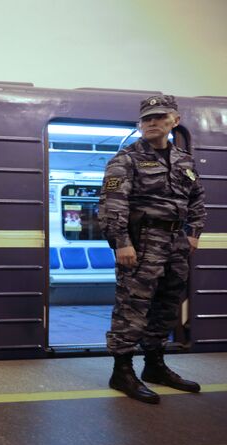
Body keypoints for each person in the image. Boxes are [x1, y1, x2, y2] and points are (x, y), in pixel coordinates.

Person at [98, 95, 206, 404]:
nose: (152, 122)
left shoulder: (184, 160)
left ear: (175, 120)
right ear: (140, 124)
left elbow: (197, 199)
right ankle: (122, 371)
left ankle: (155, 366)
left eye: (159, 117)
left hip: (175, 244)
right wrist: (121, 242)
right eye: (146, 118)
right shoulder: (126, 159)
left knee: (167, 305)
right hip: (141, 242)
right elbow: (111, 205)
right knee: (133, 306)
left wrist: (193, 234)